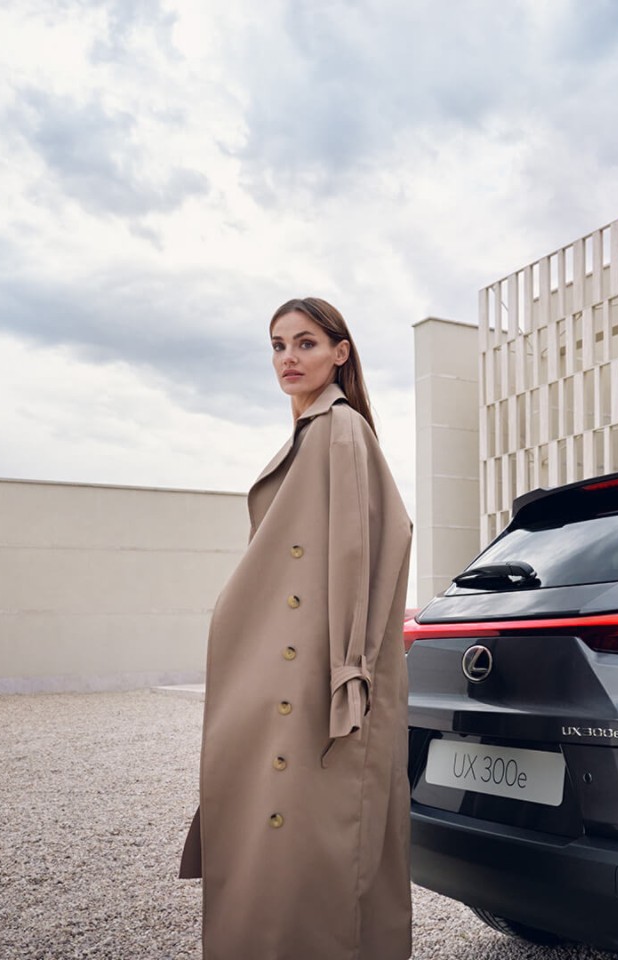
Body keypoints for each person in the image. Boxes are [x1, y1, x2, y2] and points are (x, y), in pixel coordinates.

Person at [179, 297, 413, 960]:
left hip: (312, 674)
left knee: (316, 852)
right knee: (283, 844)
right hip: (287, 669)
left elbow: (355, 553)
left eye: (305, 343)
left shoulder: (339, 429)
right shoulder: (315, 431)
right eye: (278, 345)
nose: (289, 358)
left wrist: (348, 670)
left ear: (340, 352)